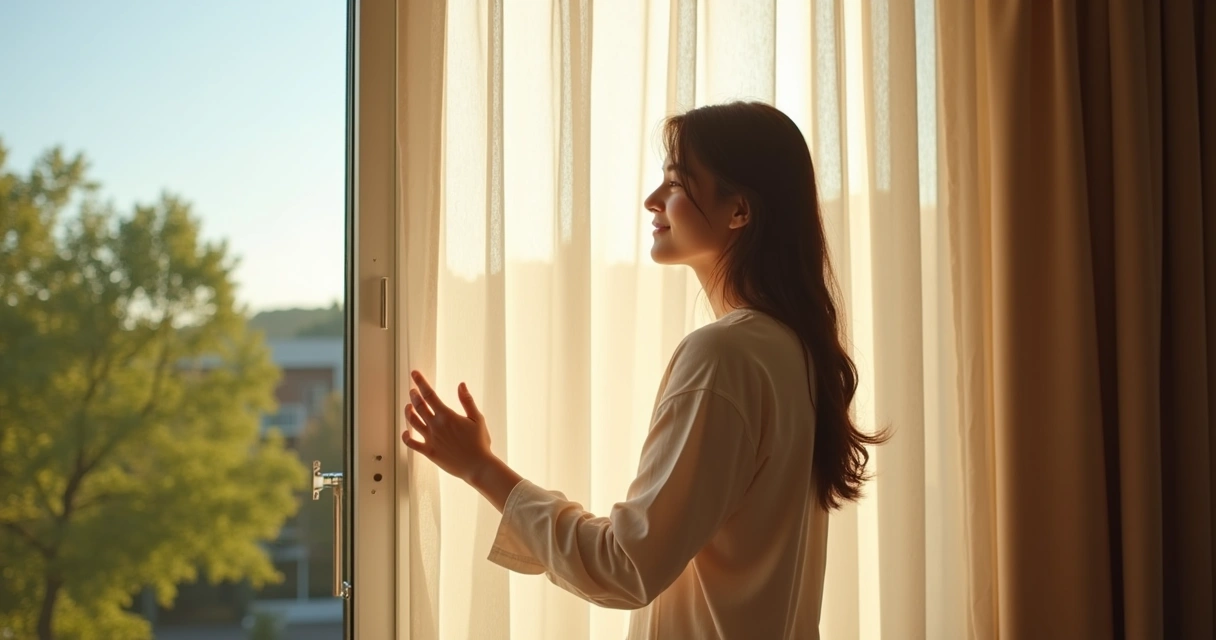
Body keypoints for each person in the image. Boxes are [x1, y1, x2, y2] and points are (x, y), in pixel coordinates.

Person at [402, 101, 887, 639]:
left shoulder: (724, 356)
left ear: (739, 211)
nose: (652, 200)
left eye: (677, 183)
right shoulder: (793, 350)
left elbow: (624, 567)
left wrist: (480, 467)